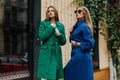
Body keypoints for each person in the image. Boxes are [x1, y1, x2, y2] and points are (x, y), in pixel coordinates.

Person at [64, 6, 95, 80]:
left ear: (84, 14)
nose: (77, 13)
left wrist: (77, 44)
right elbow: (72, 41)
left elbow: (90, 43)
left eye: (79, 11)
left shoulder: (84, 26)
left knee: (68, 72)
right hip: (76, 55)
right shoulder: (76, 26)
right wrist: (70, 33)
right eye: (76, 11)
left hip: (82, 56)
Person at [37, 6, 66, 80]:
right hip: (46, 52)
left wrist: (59, 34)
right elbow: (41, 37)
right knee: (47, 75)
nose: (50, 12)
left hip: (56, 52)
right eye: (48, 11)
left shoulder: (61, 26)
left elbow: (63, 42)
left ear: (55, 12)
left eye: (52, 10)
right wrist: (51, 27)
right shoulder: (43, 23)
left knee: (55, 75)